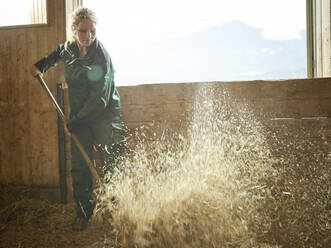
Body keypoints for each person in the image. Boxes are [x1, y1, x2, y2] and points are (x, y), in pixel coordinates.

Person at [30, 7, 125, 231]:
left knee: (113, 164)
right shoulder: (69, 50)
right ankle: (83, 212)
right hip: (80, 117)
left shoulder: (102, 57)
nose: (88, 37)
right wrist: (40, 66)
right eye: (83, 31)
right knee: (81, 167)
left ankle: (117, 215)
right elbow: (55, 55)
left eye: (92, 31)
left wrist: (74, 122)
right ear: (74, 30)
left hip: (105, 116)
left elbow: (99, 100)